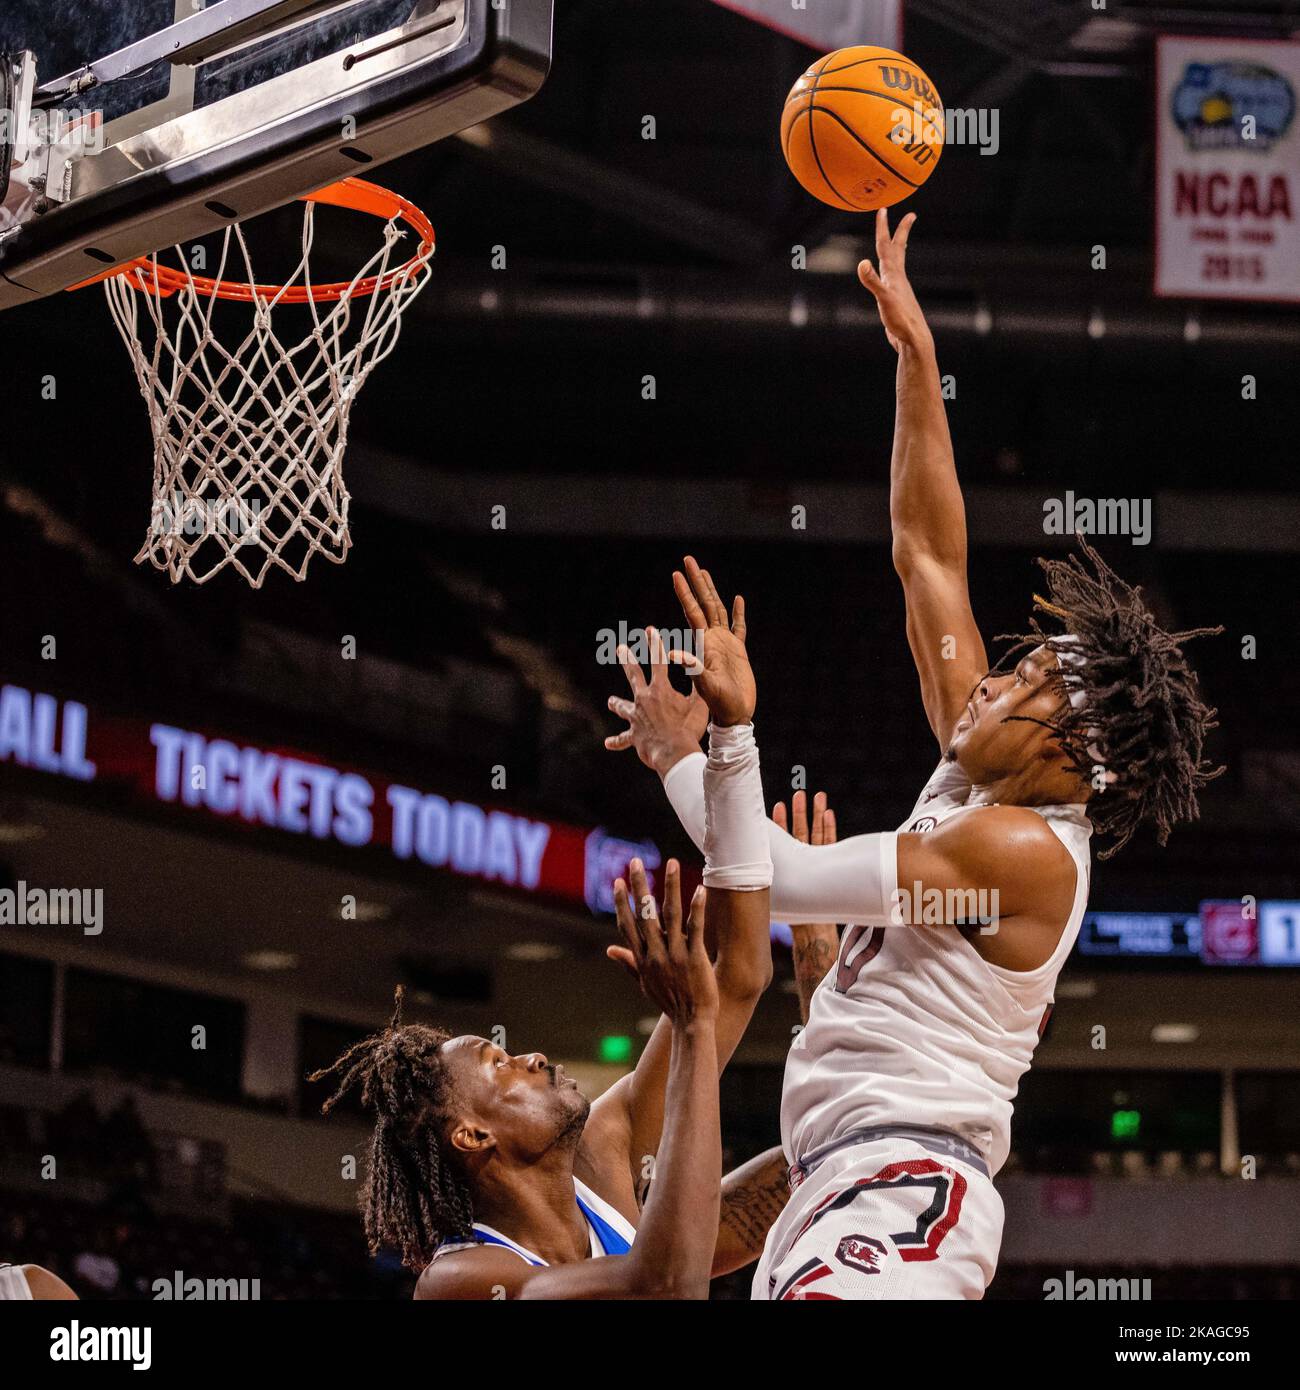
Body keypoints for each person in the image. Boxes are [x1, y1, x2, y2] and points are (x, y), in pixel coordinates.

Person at [604, 211, 1223, 1299]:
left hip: (904, 1187)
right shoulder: (979, 766)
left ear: (1074, 750)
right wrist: (918, 360)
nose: (990, 678)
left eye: (1026, 683)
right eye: (1012, 662)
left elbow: (777, 875)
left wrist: (691, 752)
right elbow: (928, 553)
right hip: (834, 1171)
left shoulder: (1020, 848)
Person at [312, 672, 777, 1296]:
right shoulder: (461, 1279)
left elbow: (740, 975)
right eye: (499, 1065)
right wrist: (690, 1024)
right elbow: (667, 1285)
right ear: (472, 1135)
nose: (530, 1057)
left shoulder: (602, 1154)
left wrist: (721, 753)